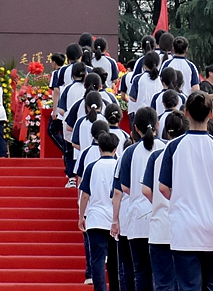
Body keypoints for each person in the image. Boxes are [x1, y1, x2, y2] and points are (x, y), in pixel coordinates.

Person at [158, 92, 213, 291]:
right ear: (211, 114)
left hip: (183, 227)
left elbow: (163, 188)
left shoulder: (173, 147)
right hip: (212, 226)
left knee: (188, 285)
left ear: (185, 113)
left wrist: (179, 197)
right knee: (212, 284)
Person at [116, 106, 164, 291]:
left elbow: (124, 187)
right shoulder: (167, 148)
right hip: (162, 216)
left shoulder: (129, 152)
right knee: (163, 273)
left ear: (136, 128)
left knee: (141, 272)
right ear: (158, 124)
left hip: (137, 218)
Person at [144, 110, 189, 291]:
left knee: (163, 284)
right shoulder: (189, 156)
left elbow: (146, 189)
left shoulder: (156, 156)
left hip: (159, 226)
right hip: (185, 228)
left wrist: (158, 203)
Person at [81, 131, 122, 291]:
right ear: (115, 149)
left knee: (97, 259)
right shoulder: (119, 165)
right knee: (115, 260)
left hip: (95, 219)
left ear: (99, 149)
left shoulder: (92, 167)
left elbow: (84, 195)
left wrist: (81, 216)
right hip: (115, 218)